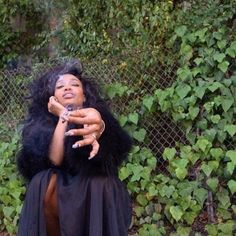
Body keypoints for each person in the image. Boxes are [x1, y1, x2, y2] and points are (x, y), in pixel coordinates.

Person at [17, 60, 133, 236]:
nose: (67, 88)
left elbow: (111, 156)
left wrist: (101, 127)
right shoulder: (41, 124)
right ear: (52, 98)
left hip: (95, 190)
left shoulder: (99, 116)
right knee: (42, 180)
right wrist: (64, 116)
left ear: (84, 95)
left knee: (100, 182)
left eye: (74, 84)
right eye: (60, 86)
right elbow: (53, 160)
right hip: (58, 192)